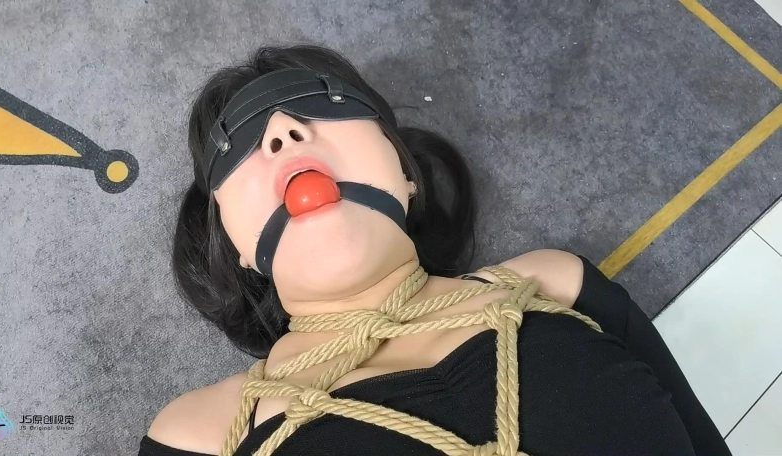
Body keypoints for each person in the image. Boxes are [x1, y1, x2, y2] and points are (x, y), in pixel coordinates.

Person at [137, 44, 731, 456]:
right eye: (237, 142)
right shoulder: (197, 435)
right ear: (235, 245)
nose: (283, 133)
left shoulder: (555, 282)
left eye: (322, 102)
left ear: (405, 174)